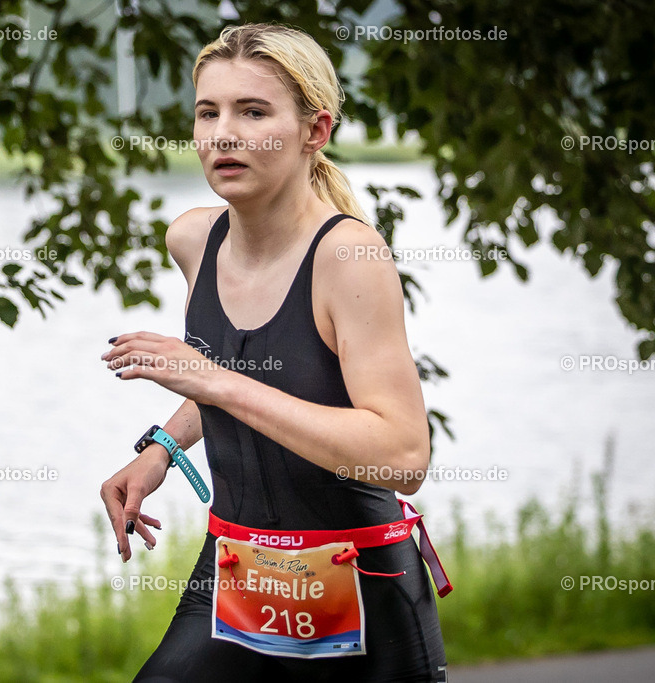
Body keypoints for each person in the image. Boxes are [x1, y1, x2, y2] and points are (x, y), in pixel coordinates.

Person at [99, 23, 448, 682]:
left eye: (253, 112)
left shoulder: (348, 256)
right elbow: (254, 368)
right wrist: (161, 451)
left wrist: (212, 381)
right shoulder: (193, 240)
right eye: (209, 113)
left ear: (314, 130)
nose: (223, 133)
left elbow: (403, 455)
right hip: (235, 572)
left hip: (360, 589)